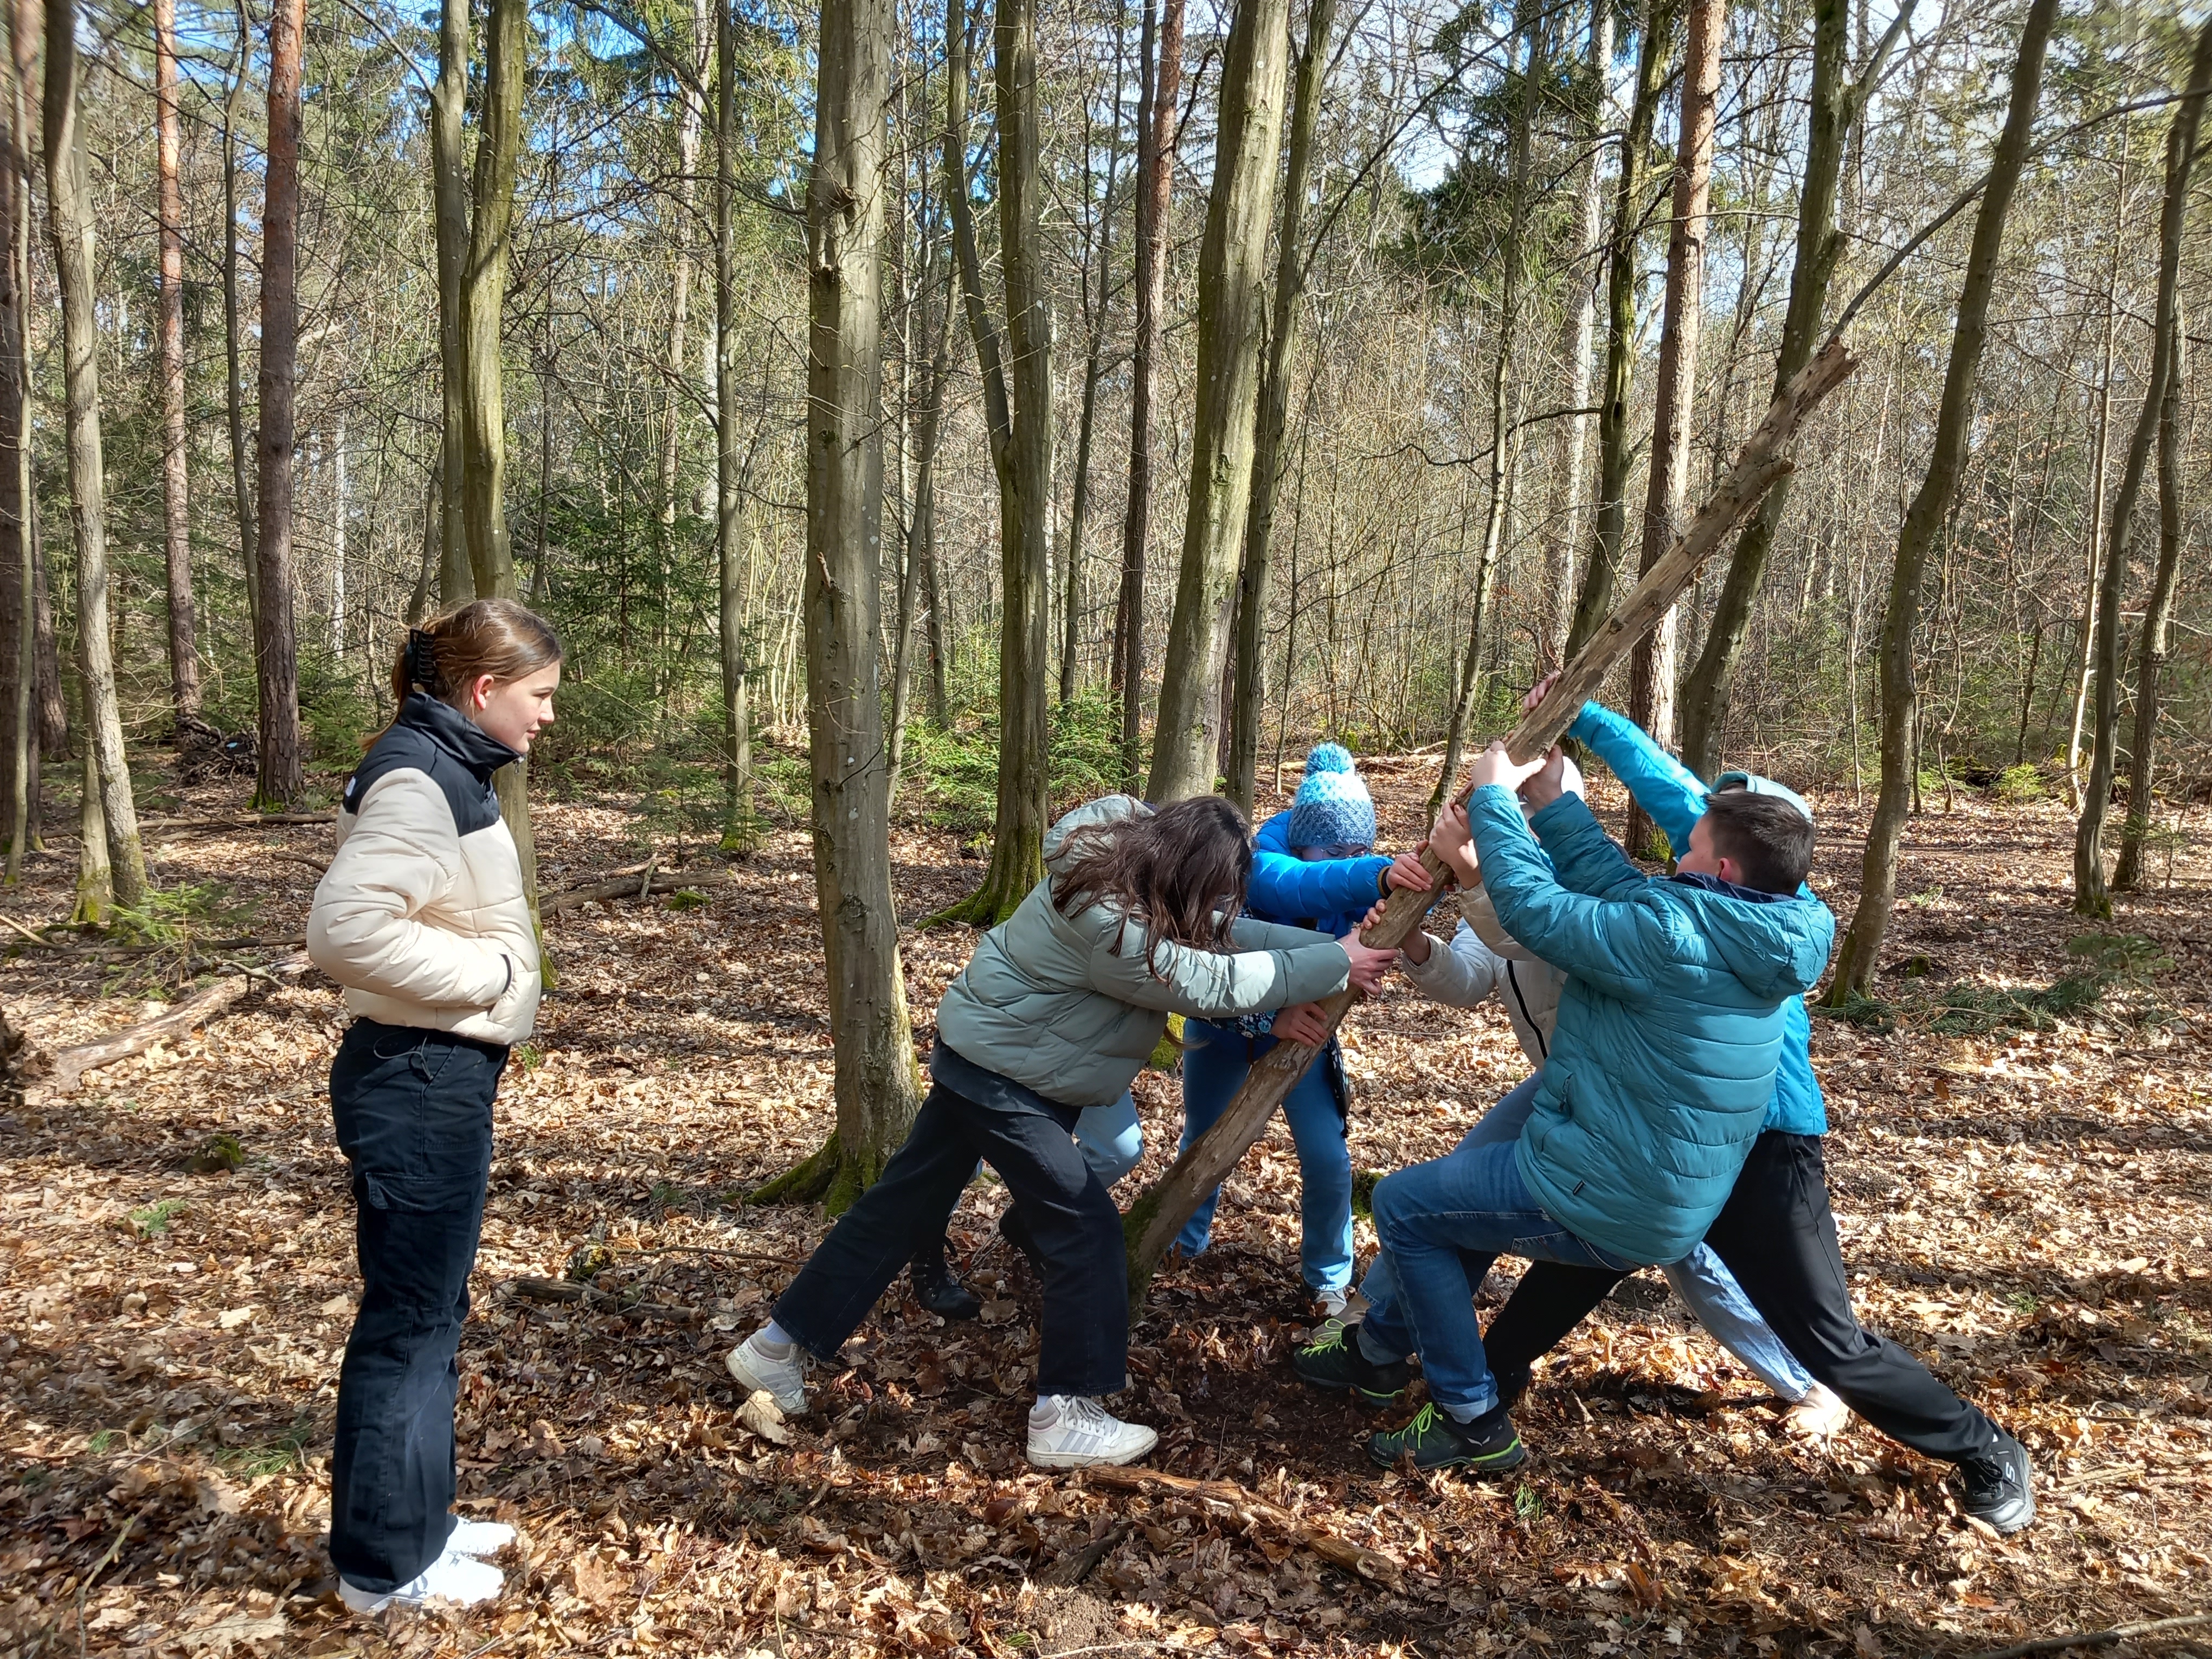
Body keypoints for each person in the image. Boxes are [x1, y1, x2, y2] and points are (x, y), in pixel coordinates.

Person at [1461, 690, 2037, 1533]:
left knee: (1824, 1335)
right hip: (1670, 1136)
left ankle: (1985, 1448)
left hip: (1766, 1144)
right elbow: (1656, 803)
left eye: (1707, 820)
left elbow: (1583, 892)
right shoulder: (1724, 886)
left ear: (1736, 852)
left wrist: (1556, 770)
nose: (1687, 823)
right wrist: (1581, 725)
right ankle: (1489, 1381)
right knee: (1592, 1250)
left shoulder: (1740, 931)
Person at [726, 794, 1397, 1469]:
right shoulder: (1105, 916)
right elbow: (1205, 978)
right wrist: (1336, 961)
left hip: (987, 1061)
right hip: (1005, 1082)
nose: (1223, 907)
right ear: (1184, 868)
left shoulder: (1132, 872)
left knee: (897, 1212)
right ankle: (1064, 1413)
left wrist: (1336, 949)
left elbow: (1227, 939)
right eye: (1216, 891)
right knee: (1085, 1229)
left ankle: (773, 1349)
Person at [1296, 740, 1834, 1476]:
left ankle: (1470, 1414)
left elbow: (1530, 925)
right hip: (1580, 1094)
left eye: (1694, 846)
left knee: (1688, 1259)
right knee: (1450, 1194)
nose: (1673, 857)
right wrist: (1416, 939)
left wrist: (1486, 847)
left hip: (1631, 1122)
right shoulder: (1675, 911)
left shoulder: (1644, 923)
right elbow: (1477, 970)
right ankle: (1382, 1348)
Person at [308, 600, 564, 1613]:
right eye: (539, 697)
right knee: (409, 1320)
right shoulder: (421, 777)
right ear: (485, 690)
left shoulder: (442, 764)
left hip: (431, 1077)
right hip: (416, 1077)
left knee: (430, 1312)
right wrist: (493, 973)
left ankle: (419, 1524)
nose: (547, 718)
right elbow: (346, 935)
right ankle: (382, 1567)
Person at [1173, 744, 1433, 1318]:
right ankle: (1180, 1246)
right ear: (1301, 839)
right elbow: (1295, 890)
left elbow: (1398, 912)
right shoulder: (1254, 862)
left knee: (1326, 1157)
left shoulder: (1353, 870)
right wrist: (1375, 874)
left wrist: (1385, 909)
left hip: (1305, 1035)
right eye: (1335, 849)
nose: (1348, 857)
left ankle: (1329, 1280)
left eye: (1359, 848)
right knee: (1204, 1141)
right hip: (1221, 1028)